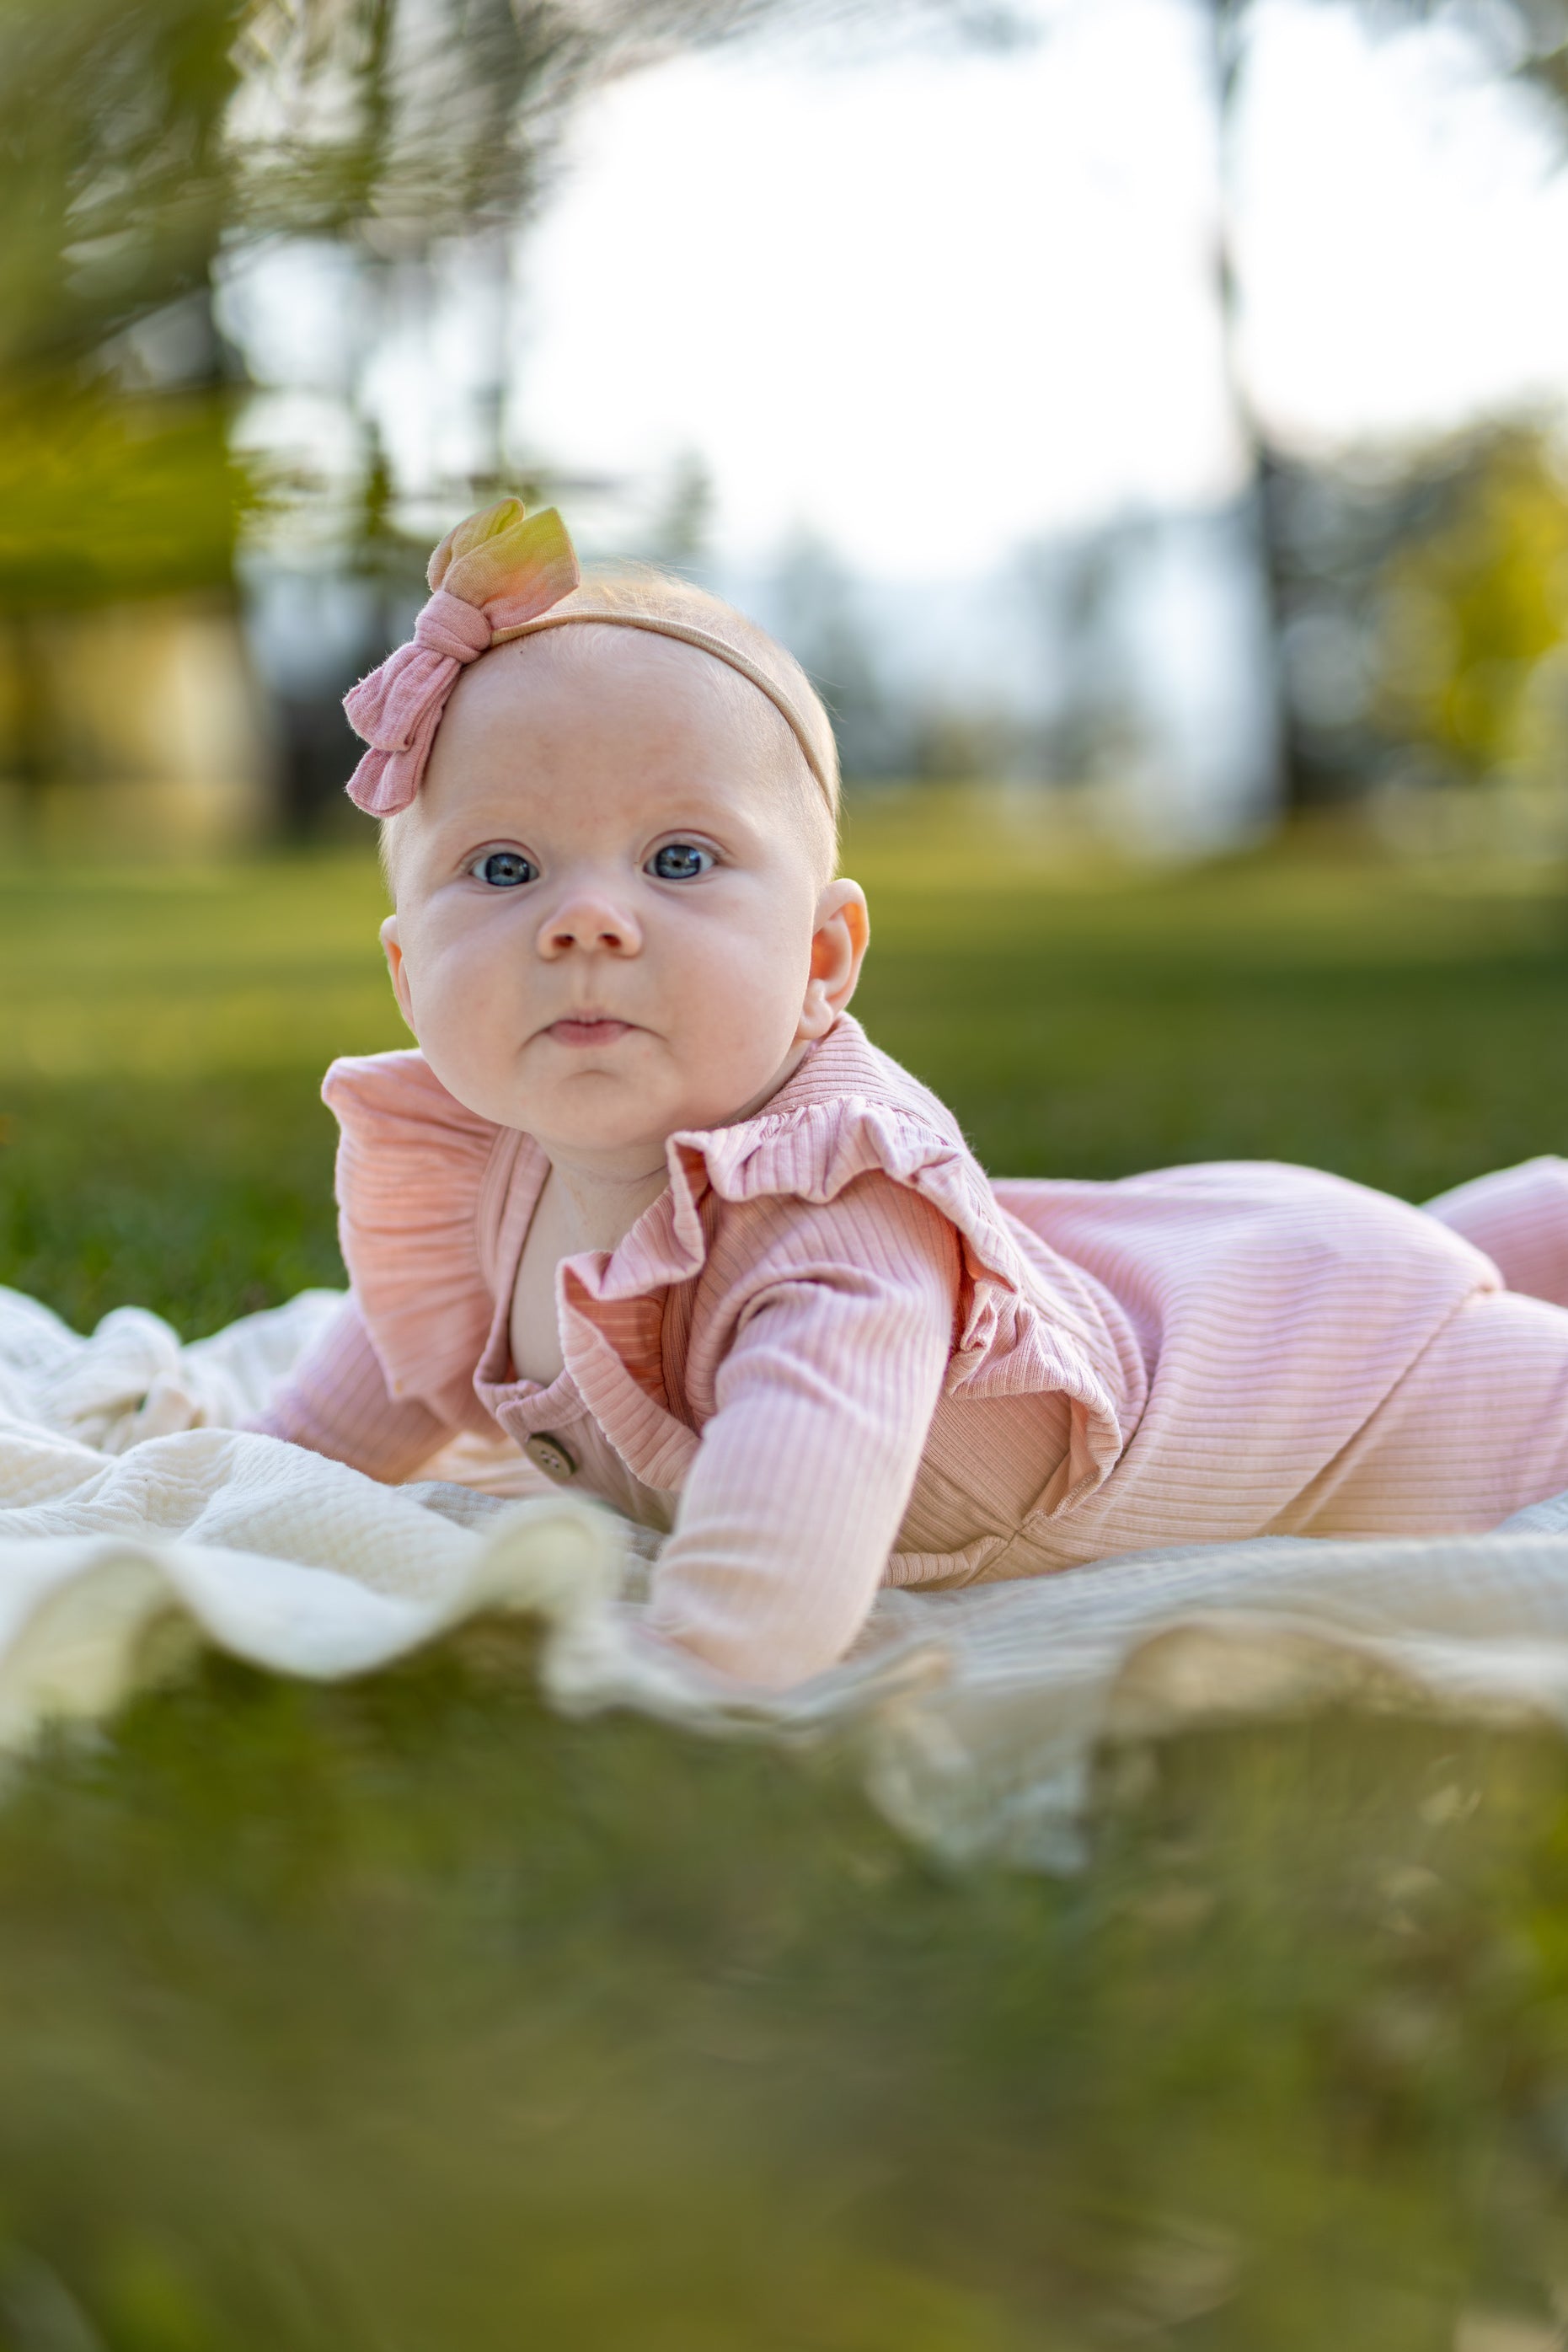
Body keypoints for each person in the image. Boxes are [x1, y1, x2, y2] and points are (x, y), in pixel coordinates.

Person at [253, 495, 1568, 1688]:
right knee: (1432, 1253)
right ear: (407, 977)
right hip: (1212, 1261)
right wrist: (264, 1480)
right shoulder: (486, 1176)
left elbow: (773, 1568)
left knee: (1491, 1364)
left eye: (679, 858)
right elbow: (388, 1369)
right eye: (502, 868)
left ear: (821, 960)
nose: (586, 918)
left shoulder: (839, 1223)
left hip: (1325, 1383)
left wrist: (676, 1675)